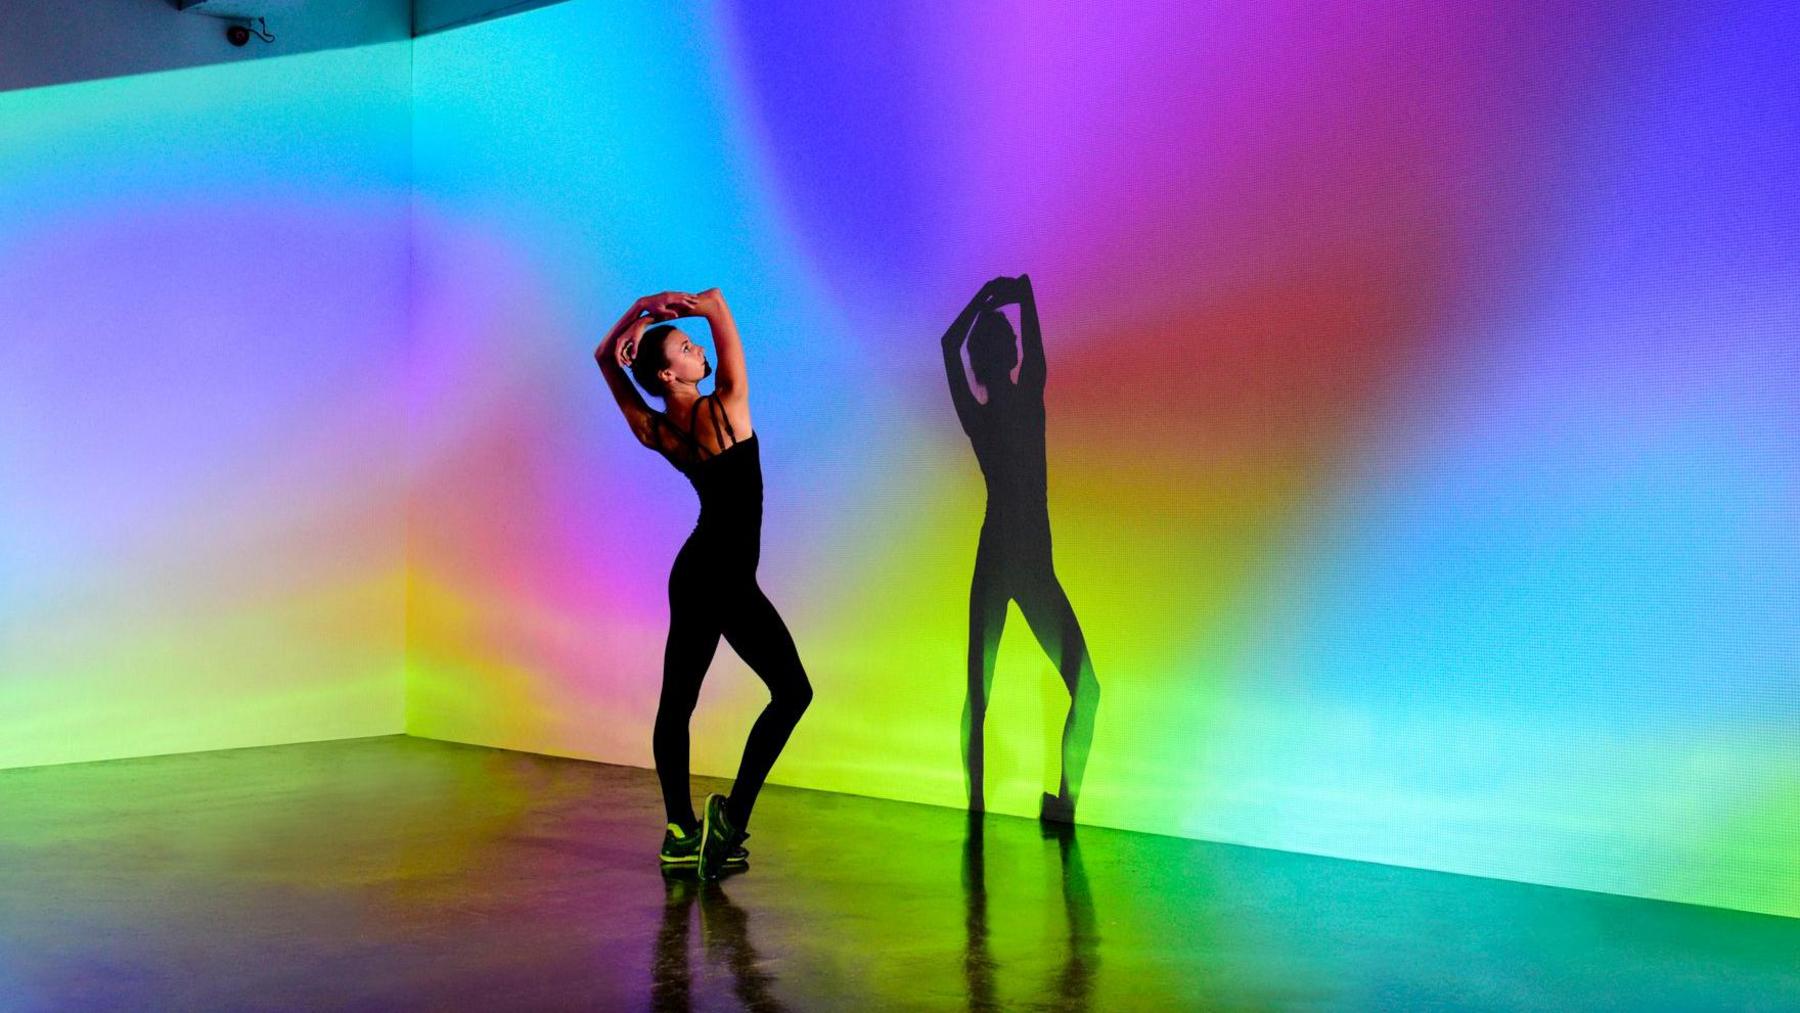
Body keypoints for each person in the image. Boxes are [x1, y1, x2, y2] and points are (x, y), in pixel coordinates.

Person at [593, 289, 813, 879]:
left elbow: (603, 357)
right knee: (791, 693)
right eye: (686, 349)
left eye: (693, 344)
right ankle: (729, 821)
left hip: (698, 575)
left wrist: (639, 314)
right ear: (668, 374)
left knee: (679, 705)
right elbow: (714, 302)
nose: (697, 349)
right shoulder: (728, 405)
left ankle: (681, 832)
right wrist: (652, 309)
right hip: (723, 577)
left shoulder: (656, 429)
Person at [942, 275, 1099, 822]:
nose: (1015, 343)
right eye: (1008, 339)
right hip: (1025, 560)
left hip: (1007, 558)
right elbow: (962, 342)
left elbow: (950, 344)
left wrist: (986, 299)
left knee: (980, 693)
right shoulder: (1023, 398)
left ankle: (988, 807)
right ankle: (1051, 805)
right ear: (1003, 355)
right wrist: (1013, 294)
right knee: (997, 692)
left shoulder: (984, 415)